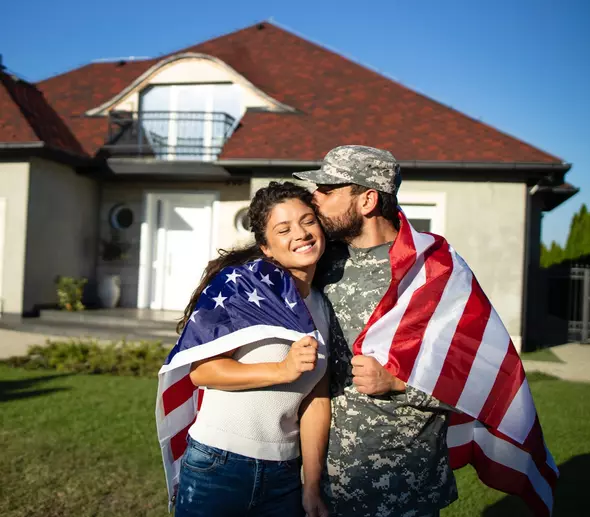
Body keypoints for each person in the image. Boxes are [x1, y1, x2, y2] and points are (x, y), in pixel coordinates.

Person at [294, 146, 458, 517]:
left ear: (367, 200)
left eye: (328, 189)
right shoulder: (319, 259)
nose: (314, 198)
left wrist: (397, 382)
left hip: (404, 487)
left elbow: (478, 380)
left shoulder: (433, 273)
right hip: (328, 479)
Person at [173, 182, 330, 517]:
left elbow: (317, 397)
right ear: (266, 247)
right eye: (283, 229)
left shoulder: (323, 307)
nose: (301, 234)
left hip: (286, 472)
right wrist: (281, 370)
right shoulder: (244, 290)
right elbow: (202, 372)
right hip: (219, 464)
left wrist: (312, 484)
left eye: (308, 221)